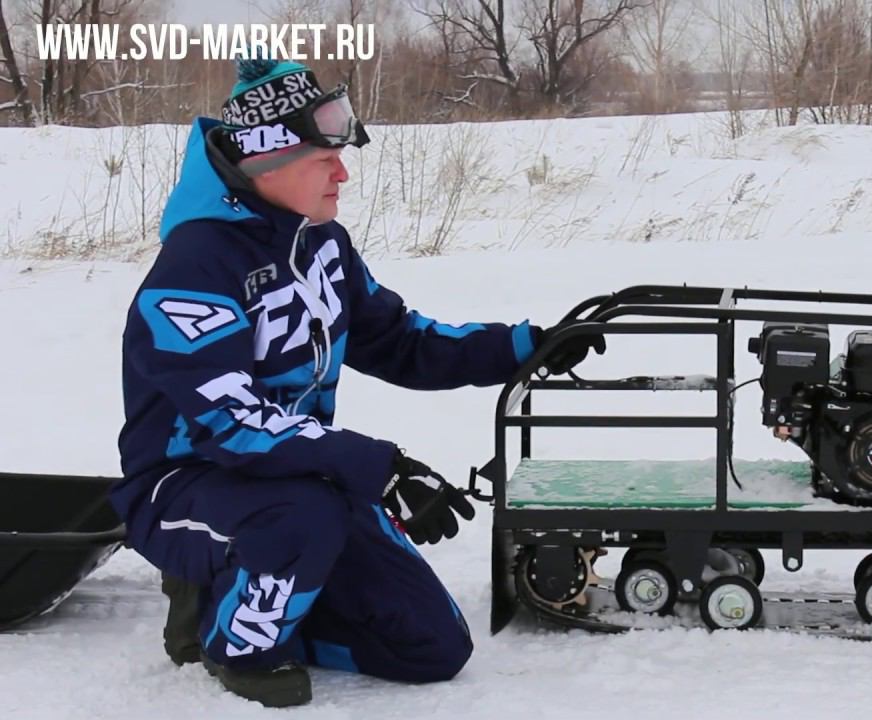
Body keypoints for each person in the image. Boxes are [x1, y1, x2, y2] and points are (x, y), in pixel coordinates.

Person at [111, 55, 604, 708]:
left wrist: (522, 348)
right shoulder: (194, 270)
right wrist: (380, 466)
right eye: (324, 159)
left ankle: (280, 591)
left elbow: (400, 342)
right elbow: (231, 422)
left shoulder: (324, 247)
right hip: (186, 485)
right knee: (303, 519)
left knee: (432, 648)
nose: (342, 173)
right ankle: (233, 638)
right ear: (267, 160)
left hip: (297, 476)